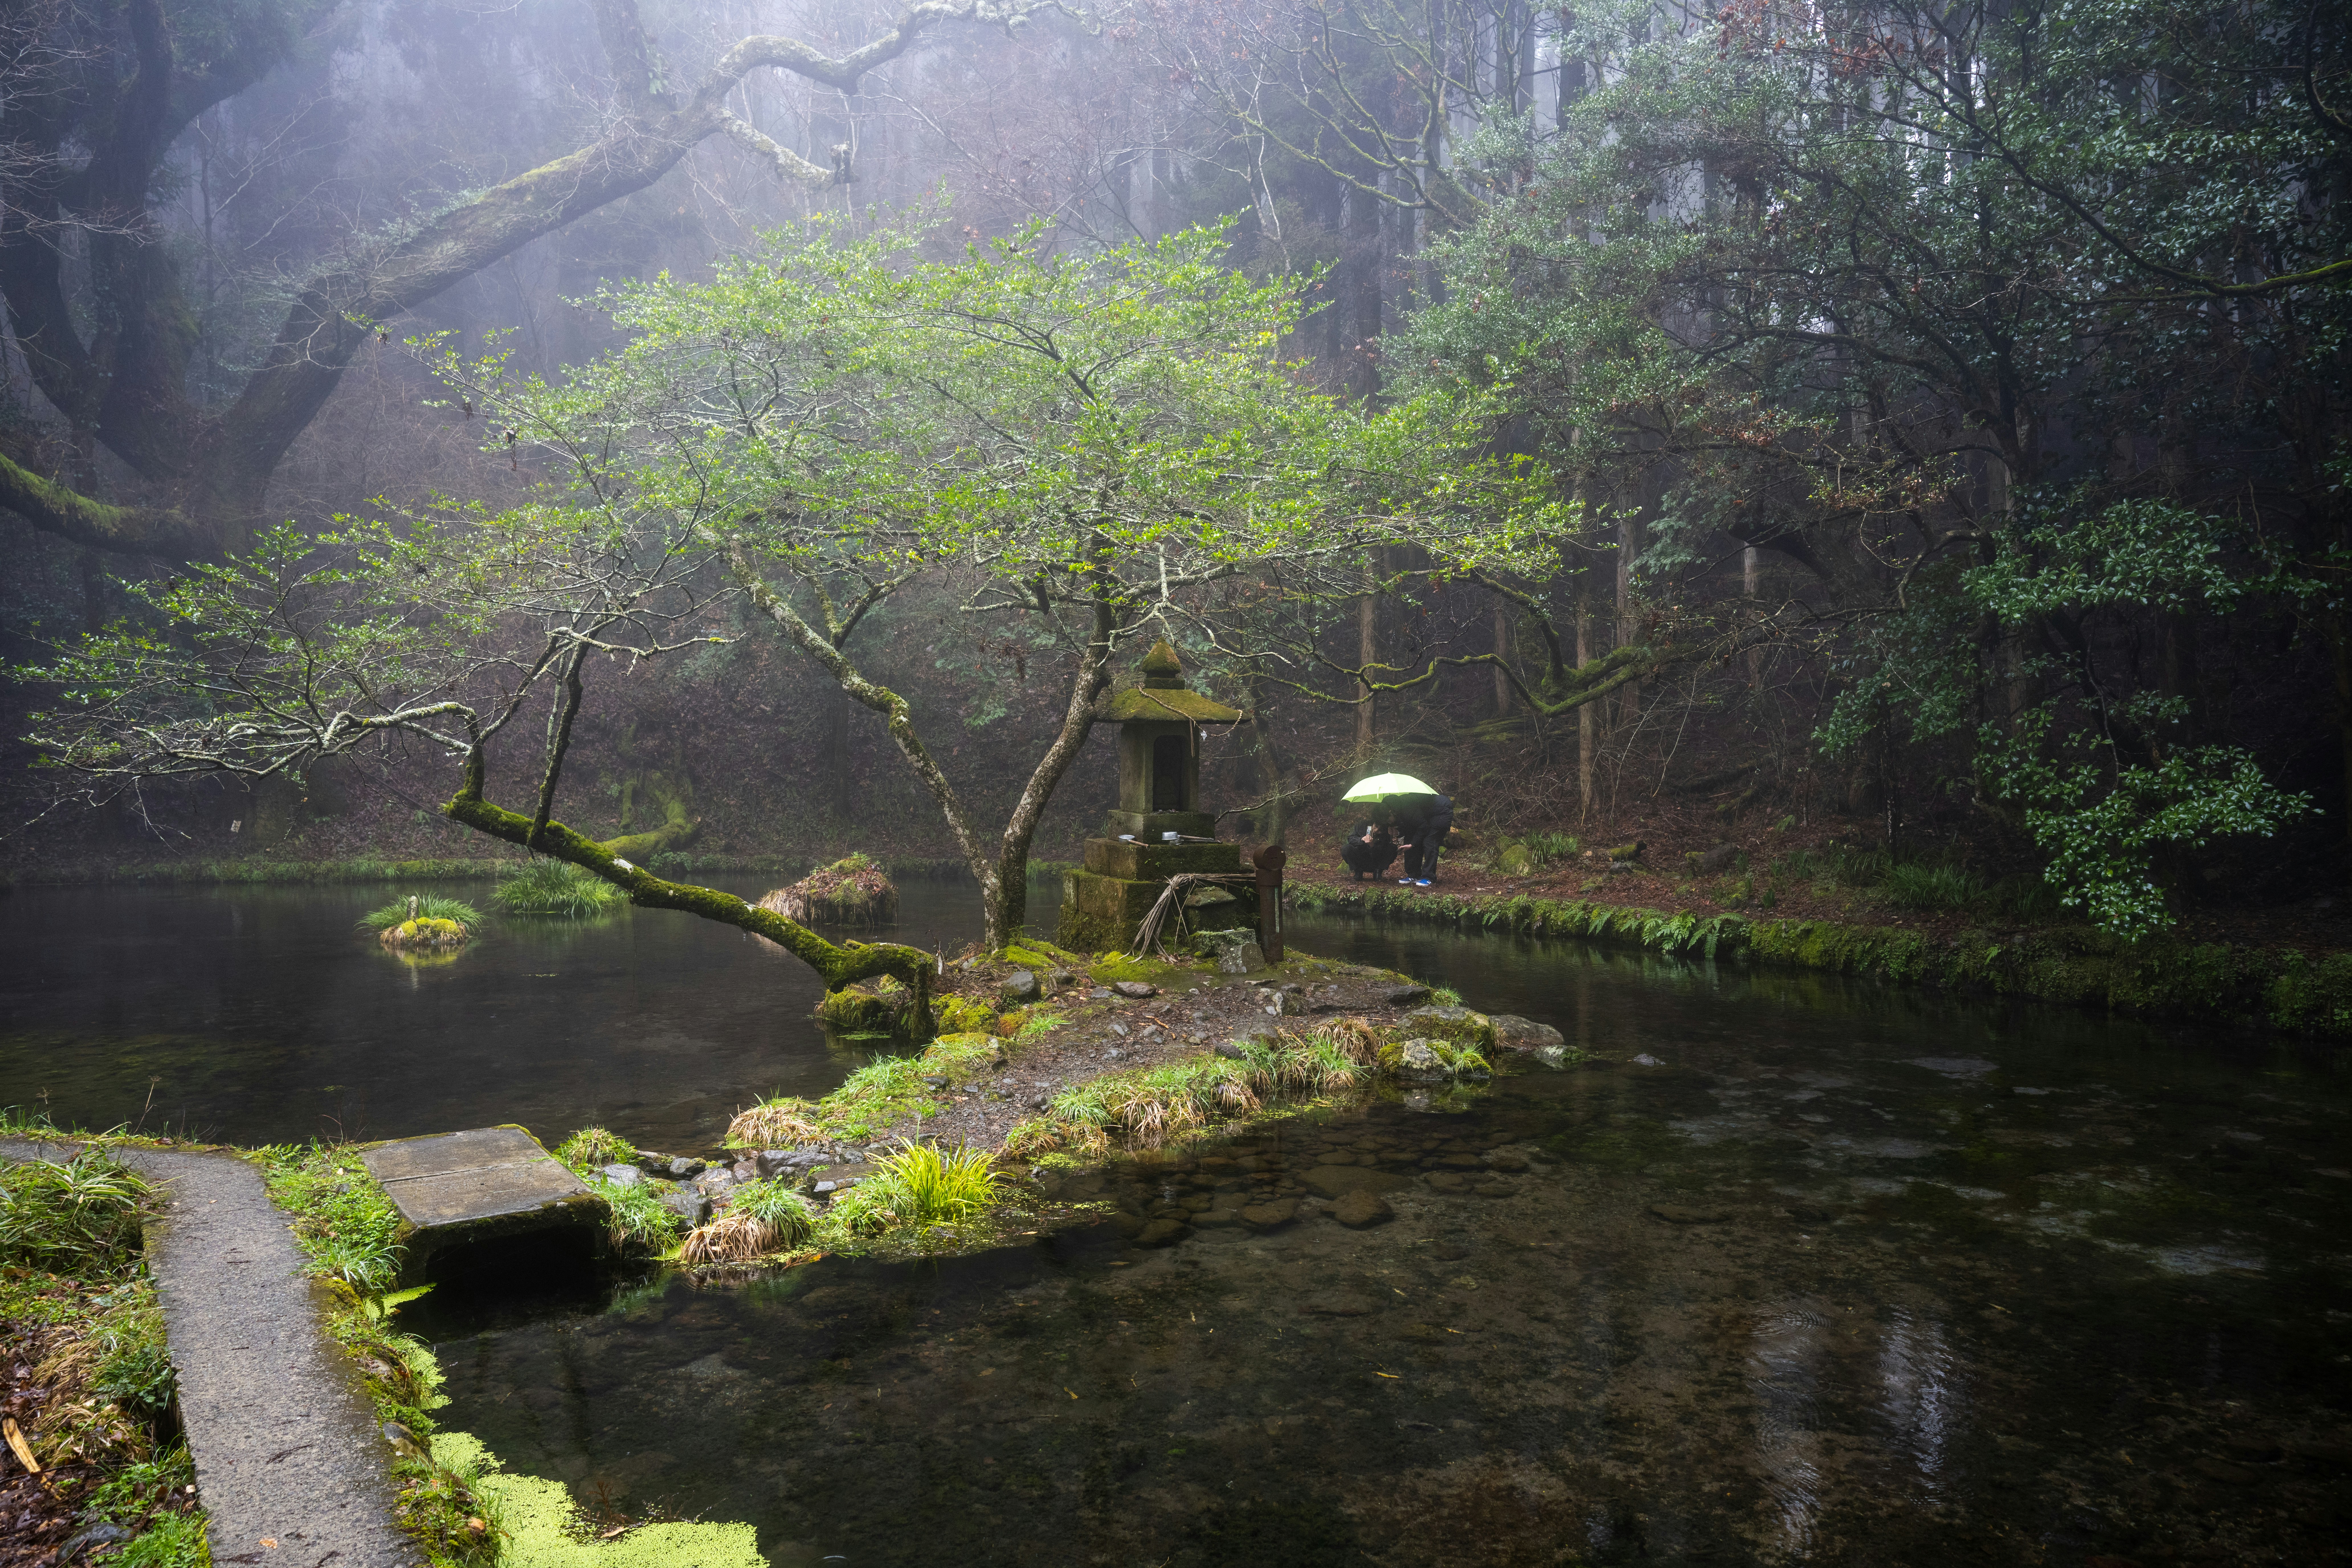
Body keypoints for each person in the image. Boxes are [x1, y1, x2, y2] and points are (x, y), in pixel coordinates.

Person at [1389, 793, 1454, 887]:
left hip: (1442, 811)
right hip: (1427, 815)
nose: (1389, 822)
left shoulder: (1407, 808)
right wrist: (1398, 832)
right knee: (1410, 839)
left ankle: (1429, 877)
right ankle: (1414, 874)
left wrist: (1412, 845)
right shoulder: (1400, 809)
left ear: (1391, 812)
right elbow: (1411, 826)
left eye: (1388, 820)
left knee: (1430, 842)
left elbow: (1423, 827)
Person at [1339, 815, 1398, 881]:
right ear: (1374, 823)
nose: (1376, 830)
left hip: (1375, 861)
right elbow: (1351, 839)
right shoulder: (1362, 824)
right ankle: (1358, 872)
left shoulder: (1387, 832)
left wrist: (1372, 846)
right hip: (1360, 858)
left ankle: (1378, 873)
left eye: (1380, 830)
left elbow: (1384, 852)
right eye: (1376, 826)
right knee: (1346, 848)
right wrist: (1361, 840)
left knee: (1393, 848)